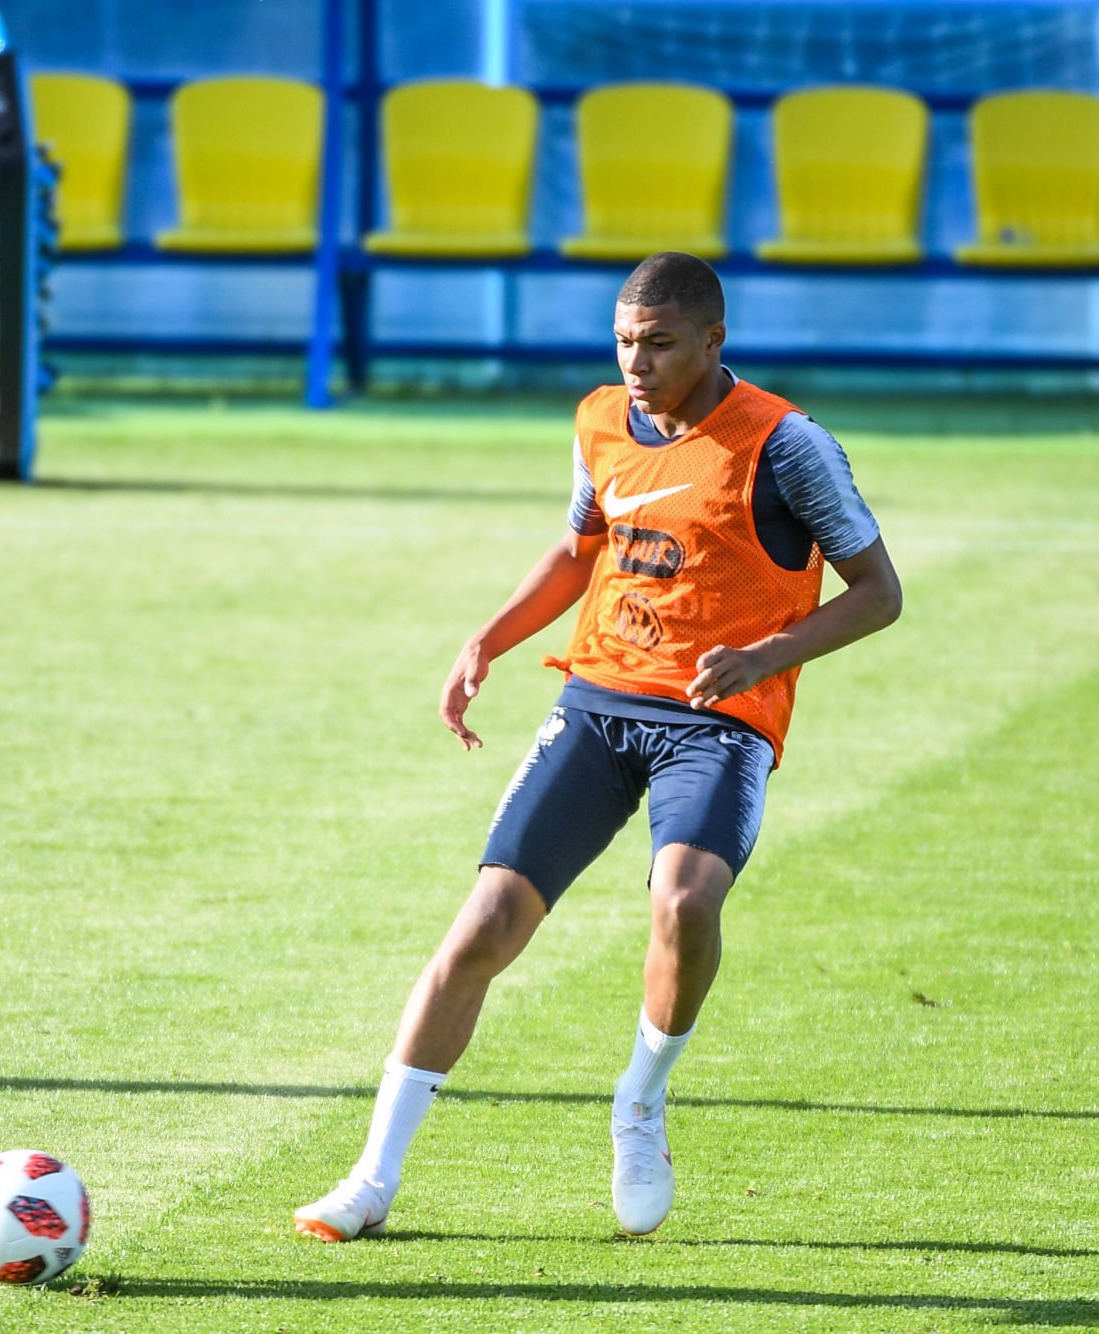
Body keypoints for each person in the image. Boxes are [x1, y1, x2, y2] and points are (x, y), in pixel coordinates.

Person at [295, 252, 903, 1241]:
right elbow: (583, 547)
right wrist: (488, 639)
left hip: (717, 718)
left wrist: (762, 658)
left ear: (712, 340)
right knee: (484, 924)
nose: (636, 362)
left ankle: (641, 1099)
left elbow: (879, 592)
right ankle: (369, 1178)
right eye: (623, 341)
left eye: (658, 343)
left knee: (685, 903)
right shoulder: (599, 421)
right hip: (597, 702)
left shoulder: (786, 444)